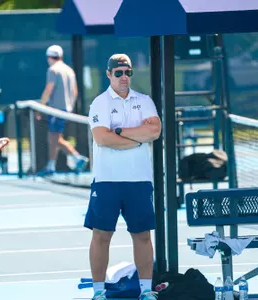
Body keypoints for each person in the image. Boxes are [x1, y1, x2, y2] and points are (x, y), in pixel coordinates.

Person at [85, 54, 162, 300]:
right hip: (107, 180)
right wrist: (136, 139)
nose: (124, 77)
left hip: (139, 180)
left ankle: (146, 290)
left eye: (127, 72)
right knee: (101, 235)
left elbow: (155, 131)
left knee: (142, 235)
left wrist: (119, 132)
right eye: (118, 73)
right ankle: (98, 292)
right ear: (109, 75)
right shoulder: (100, 103)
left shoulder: (145, 100)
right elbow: (102, 138)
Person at [38, 45, 89, 176]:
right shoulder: (69, 70)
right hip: (65, 110)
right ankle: (52, 166)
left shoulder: (52, 70)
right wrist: (69, 106)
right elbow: (75, 91)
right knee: (55, 138)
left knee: (53, 138)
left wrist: (40, 107)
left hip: (55, 110)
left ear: (49, 57)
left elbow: (49, 89)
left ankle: (77, 158)